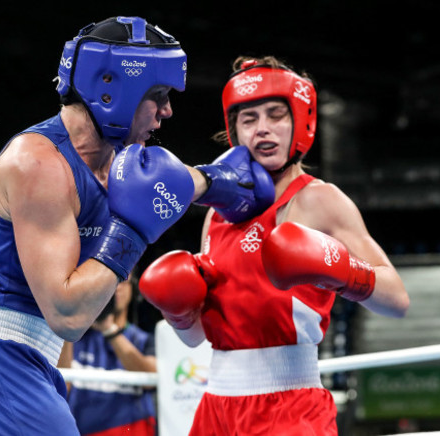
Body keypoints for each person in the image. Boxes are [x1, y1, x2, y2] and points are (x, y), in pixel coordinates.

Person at [0, 17, 275, 436]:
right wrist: (132, 231)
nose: (167, 111)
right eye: (158, 96)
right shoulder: (38, 165)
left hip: (31, 362)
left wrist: (226, 184)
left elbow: (180, 181)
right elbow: (68, 314)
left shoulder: (118, 164)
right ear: (114, 89)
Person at [139, 56, 411, 435]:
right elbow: (197, 336)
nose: (263, 129)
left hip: (290, 404)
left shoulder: (319, 200)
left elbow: (397, 300)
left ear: (300, 121)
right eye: (249, 119)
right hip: (216, 406)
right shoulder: (216, 215)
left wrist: (344, 271)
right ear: (235, 131)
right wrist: (179, 311)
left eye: (275, 115)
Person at [60, 273, 157, 435]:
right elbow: (61, 388)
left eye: (122, 280)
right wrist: (71, 324)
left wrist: (109, 329)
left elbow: (151, 380)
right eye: (110, 281)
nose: (116, 287)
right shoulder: (73, 339)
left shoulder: (143, 340)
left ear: (133, 289)